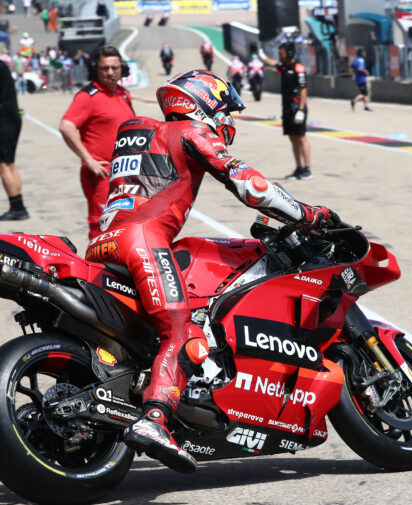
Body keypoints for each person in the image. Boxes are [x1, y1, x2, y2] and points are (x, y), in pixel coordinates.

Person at [85, 69, 337, 473]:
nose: (228, 119)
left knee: (151, 331)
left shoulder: (134, 130)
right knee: (181, 329)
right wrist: (308, 213)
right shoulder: (190, 132)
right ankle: (155, 419)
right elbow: (252, 187)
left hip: (102, 242)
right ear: (207, 103)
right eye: (226, 109)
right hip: (143, 240)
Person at [59, 45, 135, 241]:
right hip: (100, 174)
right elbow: (66, 127)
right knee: (101, 226)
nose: (110, 72)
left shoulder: (124, 93)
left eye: (115, 67)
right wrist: (89, 160)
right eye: (104, 68)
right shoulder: (87, 96)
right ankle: (96, 270)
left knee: (124, 225)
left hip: (124, 173)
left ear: (122, 69)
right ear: (96, 69)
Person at [258, 42, 312, 180]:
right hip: (287, 107)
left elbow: (303, 89)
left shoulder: (298, 68)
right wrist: (263, 57)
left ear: (289, 54)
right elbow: (273, 63)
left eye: (281, 53)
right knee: (292, 138)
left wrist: (301, 109)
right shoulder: (284, 67)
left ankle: (307, 169)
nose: (279, 56)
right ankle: (299, 168)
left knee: (301, 137)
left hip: (297, 107)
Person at [0, 60, 29, 220]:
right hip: (11, 118)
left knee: (4, 165)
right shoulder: (2, 65)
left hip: (4, 120)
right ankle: (18, 204)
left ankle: (16, 208)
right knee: (9, 164)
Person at [349, 48, 371, 112]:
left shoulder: (356, 59)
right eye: (363, 52)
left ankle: (366, 107)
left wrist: (353, 73)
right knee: (364, 93)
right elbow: (359, 68)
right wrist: (365, 71)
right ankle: (353, 101)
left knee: (365, 94)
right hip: (361, 79)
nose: (365, 53)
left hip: (358, 79)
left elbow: (351, 66)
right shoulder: (361, 60)